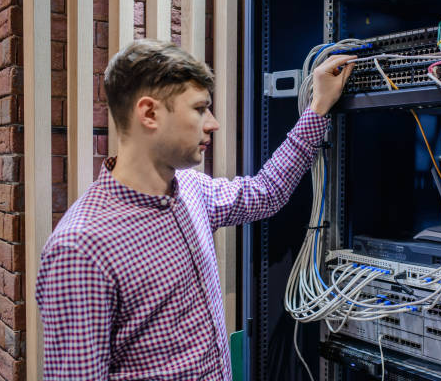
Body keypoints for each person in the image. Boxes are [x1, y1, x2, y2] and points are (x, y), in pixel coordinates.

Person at [35, 39, 355, 380]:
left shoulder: (190, 188)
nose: (213, 123)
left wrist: (318, 106)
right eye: (200, 108)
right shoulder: (81, 248)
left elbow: (265, 193)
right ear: (149, 113)